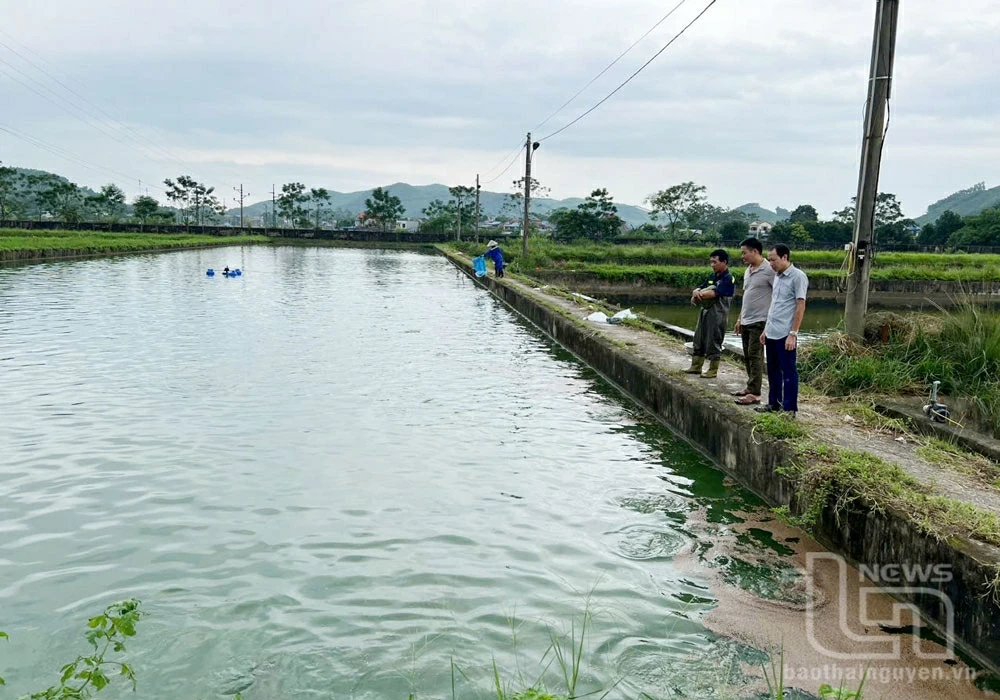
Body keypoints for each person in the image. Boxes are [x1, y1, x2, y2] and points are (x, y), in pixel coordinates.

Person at [755, 244, 808, 416]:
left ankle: (789, 409)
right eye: (769, 260)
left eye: (773, 259)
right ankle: (774, 404)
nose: (770, 263)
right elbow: (775, 304)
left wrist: (793, 334)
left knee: (789, 372)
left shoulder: (798, 277)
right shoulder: (777, 276)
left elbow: (800, 306)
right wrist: (765, 329)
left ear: (784, 257)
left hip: (785, 333)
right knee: (772, 370)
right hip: (772, 331)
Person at [732, 237, 775, 405]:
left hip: (760, 320)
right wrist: (739, 318)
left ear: (755, 251)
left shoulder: (769, 270)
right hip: (747, 319)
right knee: (747, 355)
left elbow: (777, 294)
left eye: (745, 253)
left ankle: (755, 393)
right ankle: (750, 387)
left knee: (755, 355)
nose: (742, 256)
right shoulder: (748, 270)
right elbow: (747, 296)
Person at [684, 249, 735, 379]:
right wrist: (696, 291)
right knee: (699, 338)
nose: (712, 265)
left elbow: (714, 293)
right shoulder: (712, 276)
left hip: (718, 313)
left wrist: (697, 294)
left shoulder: (728, 278)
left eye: (715, 262)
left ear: (724, 262)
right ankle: (696, 366)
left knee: (714, 340)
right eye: (711, 262)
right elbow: (701, 287)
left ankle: (712, 370)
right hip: (705, 311)